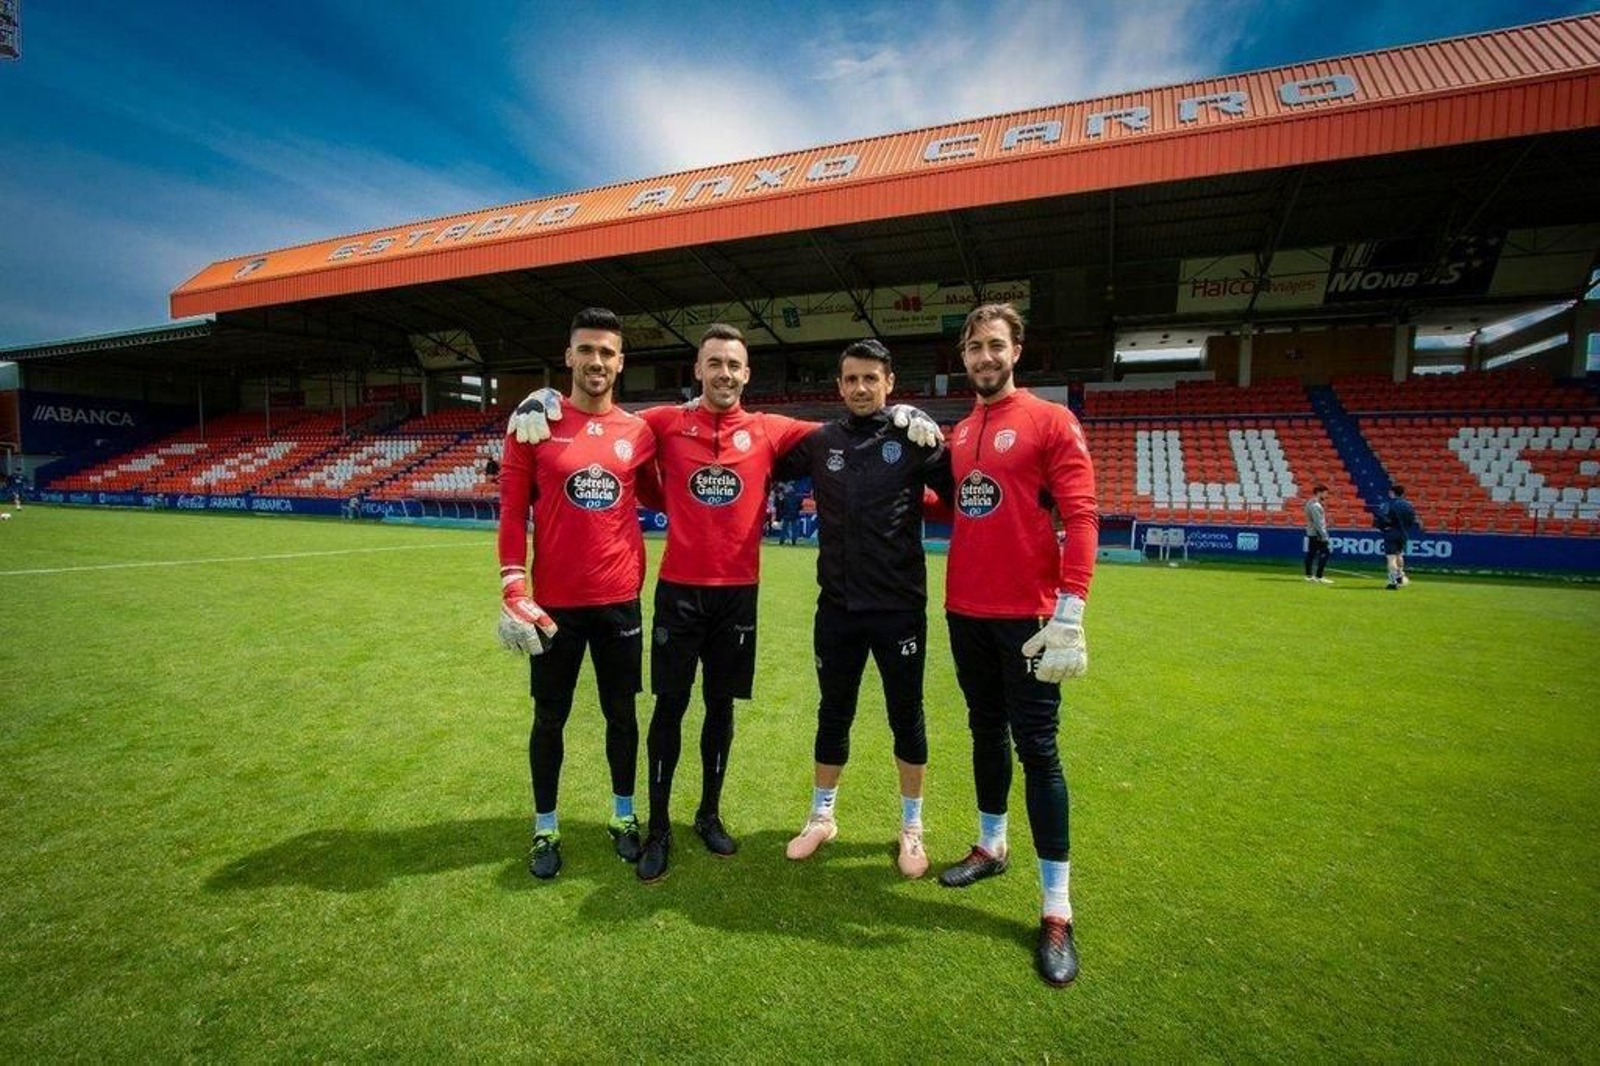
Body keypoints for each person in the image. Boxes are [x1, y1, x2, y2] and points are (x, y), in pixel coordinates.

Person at [508, 325, 942, 884]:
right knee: (668, 710)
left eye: (734, 365)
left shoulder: (769, 429)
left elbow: (851, 431)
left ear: (747, 373)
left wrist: (908, 414)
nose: (725, 374)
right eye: (714, 364)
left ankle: (708, 814)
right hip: (678, 593)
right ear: (698, 370)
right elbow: (600, 422)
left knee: (721, 709)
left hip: (738, 596)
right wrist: (542, 397)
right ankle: (658, 827)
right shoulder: (662, 422)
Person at [938, 302, 1098, 989]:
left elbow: (1082, 515)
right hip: (964, 611)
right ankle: (992, 845)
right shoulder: (961, 431)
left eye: (994, 346)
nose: (984, 357)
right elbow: (950, 507)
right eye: (974, 348)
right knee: (983, 730)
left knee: (1038, 748)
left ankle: (1056, 908)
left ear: (1016, 350)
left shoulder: (1050, 420)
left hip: (1031, 618)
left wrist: (1072, 609)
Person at [777, 339, 954, 878]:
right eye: (851, 379)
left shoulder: (912, 438)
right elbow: (751, 451)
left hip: (899, 609)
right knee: (834, 712)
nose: (860, 388)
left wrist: (940, 439)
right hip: (837, 609)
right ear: (839, 385)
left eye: (870, 379)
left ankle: (911, 828)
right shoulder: (820, 441)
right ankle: (822, 816)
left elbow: (961, 494)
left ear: (889, 382)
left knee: (907, 715)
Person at [496, 307, 658, 879]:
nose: (597, 361)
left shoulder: (638, 432)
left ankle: (623, 815)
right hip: (554, 607)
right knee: (550, 718)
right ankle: (545, 828)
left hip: (620, 602)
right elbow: (513, 509)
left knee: (621, 716)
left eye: (607, 352)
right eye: (586, 350)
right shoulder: (532, 424)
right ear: (569, 356)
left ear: (621, 362)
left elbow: (665, 493)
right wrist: (513, 583)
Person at [1376, 483, 1422, 590]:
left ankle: (1393, 582)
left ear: (1392, 493)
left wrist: (1383, 527)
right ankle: (1400, 576)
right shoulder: (1409, 505)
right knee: (1400, 554)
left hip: (1391, 532)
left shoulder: (1388, 504)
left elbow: (1381, 518)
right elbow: (1412, 520)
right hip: (1403, 533)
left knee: (1391, 558)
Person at [1303, 483, 1332, 584]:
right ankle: (1319, 576)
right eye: (1325, 493)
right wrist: (1324, 535)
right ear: (1319, 493)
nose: (1326, 496)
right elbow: (1318, 523)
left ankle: (1309, 575)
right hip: (1317, 534)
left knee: (1311, 554)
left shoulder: (1310, 503)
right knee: (1326, 552)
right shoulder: (1315, 505)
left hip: (1312, 533)